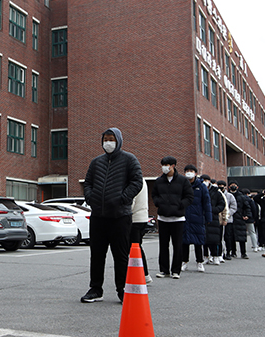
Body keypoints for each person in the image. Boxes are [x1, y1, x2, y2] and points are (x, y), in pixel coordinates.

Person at [81, 128, 143, 303]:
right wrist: (90, 197)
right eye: (105, 139)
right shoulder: (96, 162)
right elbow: (88, 182)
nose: (108, 143)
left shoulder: (129, 159)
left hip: (120, 217)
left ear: (119, 141)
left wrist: (123, 198)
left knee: (121, 255)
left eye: (111, 139)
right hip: (98, 217)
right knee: (97, 254)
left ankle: (123, 289)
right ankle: (95, 289)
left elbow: (137, 181)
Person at [152, 156, 194, 279]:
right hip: (163, 217)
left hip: (178, 218)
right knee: (163, 245)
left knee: (178, 245)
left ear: (173, 166)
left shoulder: (182, 180)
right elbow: (154, 195)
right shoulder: (159, 181)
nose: (164, 167)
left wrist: (181, 205)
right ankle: (164, 270)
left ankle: (176, 270)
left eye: (167, 165)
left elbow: (189, 197)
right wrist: (158, 203)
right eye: (163, 164)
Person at [181, 165, 211, 273]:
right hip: (184, 216)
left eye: (191, 171)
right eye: (187, 171)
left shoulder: (201, 186)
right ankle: (184, 262)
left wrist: (208, 217)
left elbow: (206, 203)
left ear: (195, 173)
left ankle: (200, 262)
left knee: (198, 241)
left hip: (198, 217)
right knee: (184, 241)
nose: (189, 173)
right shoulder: (182, 184)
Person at [130, 178, 152, 284]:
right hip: (142, 218)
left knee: (134, 248)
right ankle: (144, 274)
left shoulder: (133, 179)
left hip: (134, 219)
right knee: (137, 247)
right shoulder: (141, 179)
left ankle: (143, 274)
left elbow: (131, 202)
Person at [201, 175, 225, 265]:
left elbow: (222, 204)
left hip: (213, 218)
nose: (204, 182)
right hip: (202, 217)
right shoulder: (199, 190)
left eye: (206, 180)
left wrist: (214, 210)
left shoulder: (216, 192)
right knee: (204, 239)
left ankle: (215, 256)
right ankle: (205, 256)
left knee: (214, 239)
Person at [229, 181, 251, 259]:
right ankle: (233, 252)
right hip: (231, 217)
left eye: (234, 185)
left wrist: (247, 215)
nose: (233, 187)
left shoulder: (241, 196)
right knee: (231, 236)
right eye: (231, 185)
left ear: (237, 187)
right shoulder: (228, 195)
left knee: (242, 237)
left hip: (240, 218)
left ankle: (243, 253)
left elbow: (247, 207)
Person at [218, 180, 237, 260]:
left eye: (222, 185)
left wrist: (228, 214)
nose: (221, 186)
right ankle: (220, 253)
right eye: (219, 185)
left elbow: (234, 207)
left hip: (228, 220)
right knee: (219, 237)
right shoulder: (216, 194)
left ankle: (228, 252)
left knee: (228, 237)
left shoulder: (229, 196)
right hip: (218, 219)